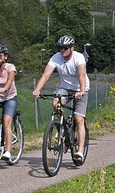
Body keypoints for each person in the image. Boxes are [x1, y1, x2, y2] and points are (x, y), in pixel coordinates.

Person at [33, 34, 89, 164]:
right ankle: (62, 127)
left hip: (81, 88)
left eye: (65, 48)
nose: (62, 50)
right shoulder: (56, 57)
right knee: (55, 103)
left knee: (79, 119)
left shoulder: (78, 57)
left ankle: (79, 151)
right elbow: (46, 75)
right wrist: (37, 89)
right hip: (65, 88)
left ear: (71, 48)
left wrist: (81, 91)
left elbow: (81, 74)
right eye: (60, 48)